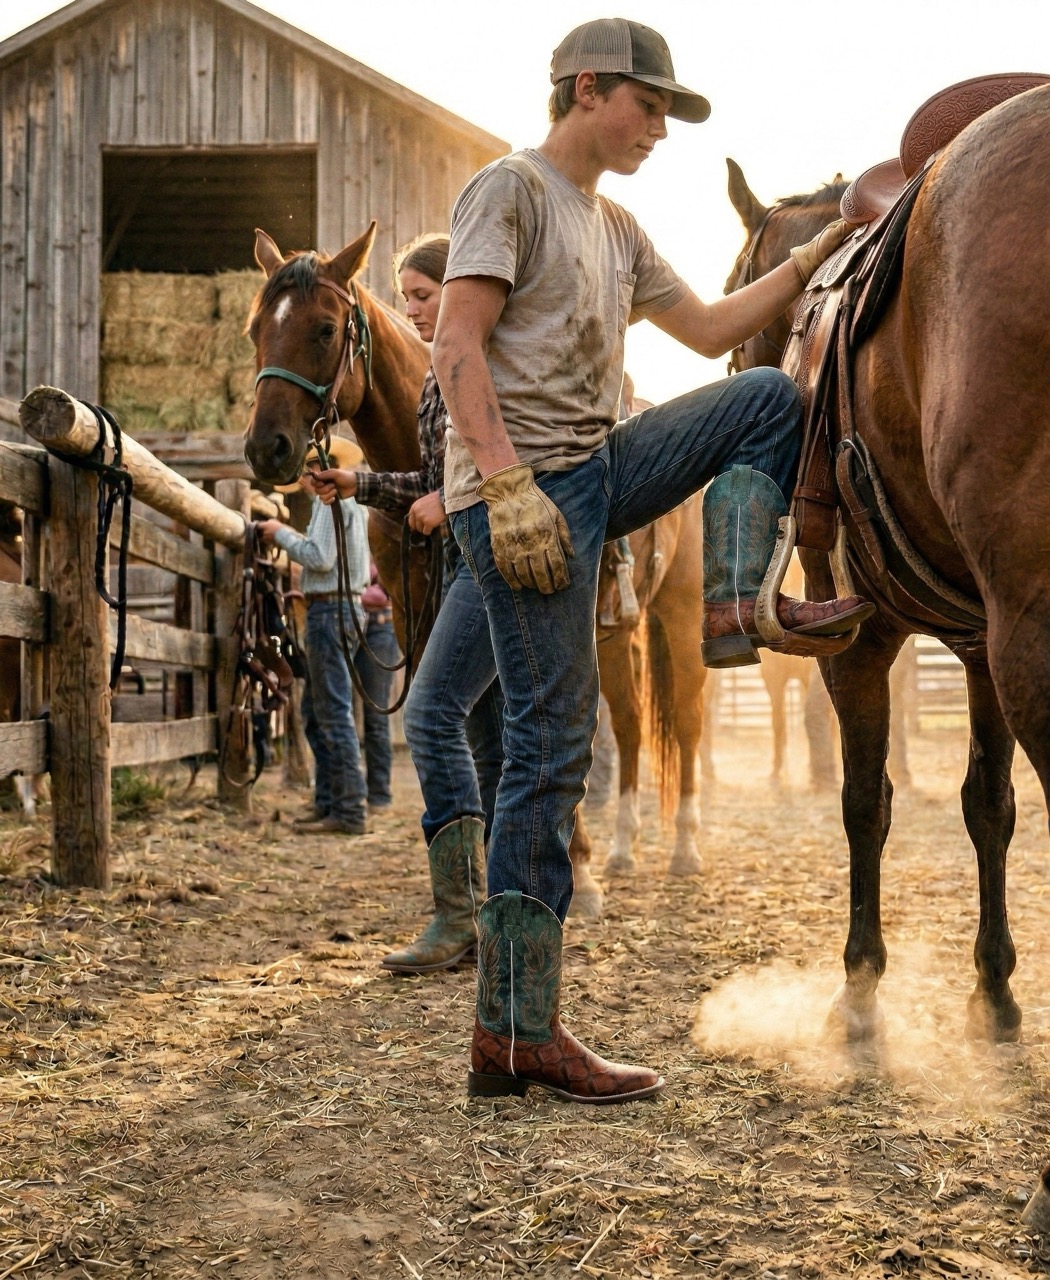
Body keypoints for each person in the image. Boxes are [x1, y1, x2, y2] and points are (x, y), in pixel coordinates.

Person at [433, 17, 874, 1104]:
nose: (661, 131)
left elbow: (712, 322)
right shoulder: (510, 191)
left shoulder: (616, 224)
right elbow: (453, 345)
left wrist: (812, 258)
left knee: (764, 396)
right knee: (547, 746)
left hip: (597, 469)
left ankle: (729, 606)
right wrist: (500, 482)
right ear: (588, 89)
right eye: (651, 108)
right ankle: (513, 1030)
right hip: (522, 493)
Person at [310, 233, 504, 975]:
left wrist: (443, 503)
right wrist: (363, 487)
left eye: (424, 294)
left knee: (430, 715)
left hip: (485, 559)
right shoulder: (432, 378)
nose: (413, 310)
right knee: (484, 732)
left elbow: (491, 466)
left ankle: (462, 915)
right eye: (408, 296)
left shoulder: (476, 361)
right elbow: (432, 474)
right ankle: (489, 911)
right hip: (467, 555)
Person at [259, 435, 371, 836]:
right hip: (339, 607)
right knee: (318, 710)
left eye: (306, 472)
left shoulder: (331, 504)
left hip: (330, 610)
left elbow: (321, 558)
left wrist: (281, 535)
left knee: (331, 711)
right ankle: (330, 801)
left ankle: (347, 809)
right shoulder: (347, 505)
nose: (305, 480)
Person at [354, 560, 400, 809]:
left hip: (380, 624)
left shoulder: (384, 525)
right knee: (340, 711)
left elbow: (388, 584)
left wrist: (357, 586)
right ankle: (351, 790)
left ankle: (379, 793)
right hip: (354, 619)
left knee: (376, 713)